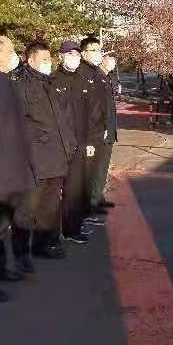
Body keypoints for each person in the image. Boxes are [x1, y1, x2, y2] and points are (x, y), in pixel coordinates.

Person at [0, 35, 38, 296]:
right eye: (11, 50)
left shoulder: (9, 82)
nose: (15, 56)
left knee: (3, 224)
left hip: (14, 167)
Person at [11, 41, 76, 261]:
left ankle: (47, 243)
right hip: (36, 158)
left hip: (56, 156)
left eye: (50, 59)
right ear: (31, 60)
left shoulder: (50, 83)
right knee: (27, 207)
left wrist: (69, 145)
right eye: (44, 59)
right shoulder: (21, 84)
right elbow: (17, 122)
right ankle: (20, 251)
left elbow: (62, 119)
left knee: (50, 205)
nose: (49, 63)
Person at [51, 41, 93, 244]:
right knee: (54, 190)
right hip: (59, 143)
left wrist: (88, 141)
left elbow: (87, 113)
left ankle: (72, 228)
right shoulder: (53, 80)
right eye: (69, 53)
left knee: (74, 188)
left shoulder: (81, 80)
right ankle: (50, 232)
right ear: (61, 56)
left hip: (79, 143)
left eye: (76, 54)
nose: (74, 57)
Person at [77, 37, 110, 223]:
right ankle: (82, 213)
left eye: (99, 50)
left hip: (98, 132)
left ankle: (88, 210)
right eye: (93, 50)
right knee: (84, 176)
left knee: (93, 174)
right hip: (87, 135)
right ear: (83, 53)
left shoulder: (96, 73)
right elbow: (83, 110)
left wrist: (104, 127)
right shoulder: (81, 74)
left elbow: (101, 106)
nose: (98, 54)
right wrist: (88, 137)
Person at [96, 55, 119, 209]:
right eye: (109, 57)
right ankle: (94, 199)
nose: (112, 62)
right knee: (98, 167)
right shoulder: (97, 78)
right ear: (102, 60)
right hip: (101, 131)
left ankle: (99, 197)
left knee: (103, 167)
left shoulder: (108, 78)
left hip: (109, 130)